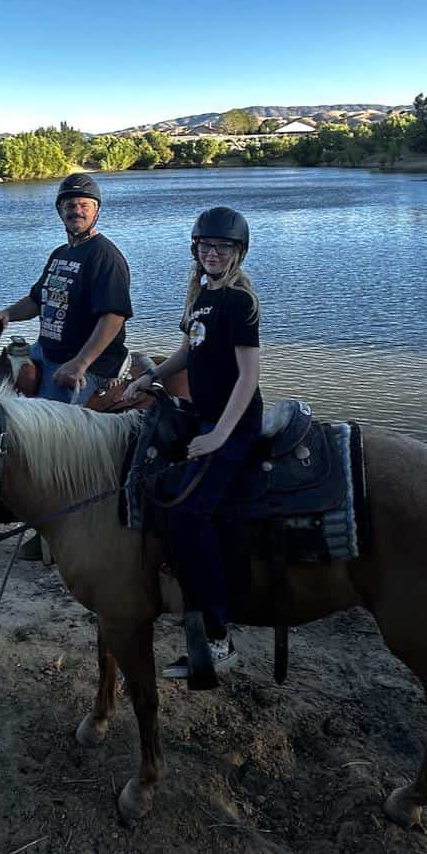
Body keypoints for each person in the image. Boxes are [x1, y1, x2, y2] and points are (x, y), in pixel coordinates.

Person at [123, 206, 262, 688]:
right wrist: (150, 375)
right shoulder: (202, 295)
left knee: (190, 511)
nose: (213, 253)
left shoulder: (239, 301)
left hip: (235, 422)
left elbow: (249, 375)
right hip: (204, 413)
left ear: (237, 253)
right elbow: (191, 351)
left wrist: (222, 433)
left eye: (222, 248)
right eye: (205, 247)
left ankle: (220, 637)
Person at [0, 172, 133, 557]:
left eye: (85, 205)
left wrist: (81, 362)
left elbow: (113, 317)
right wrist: (8, 313)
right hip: (46, 352)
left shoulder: (106, 257)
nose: (77, 210)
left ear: (96, 211)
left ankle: (53, 534)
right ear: (59, 211)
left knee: (52, 447)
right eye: (70, 205)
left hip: (89, 364)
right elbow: (37, 301)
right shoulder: (60, 255)